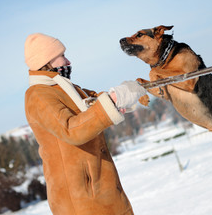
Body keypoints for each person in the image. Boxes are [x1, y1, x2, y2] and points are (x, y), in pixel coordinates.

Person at [24, 33, 146, 215]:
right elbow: (71, 130)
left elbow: (96, 102)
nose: (68, 61)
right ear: (46, 60)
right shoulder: (38, 95)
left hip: (102, 190)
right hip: (80, 199)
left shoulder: (68, 89)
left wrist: (124, 95)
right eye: (62, 56)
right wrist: (111, 101)